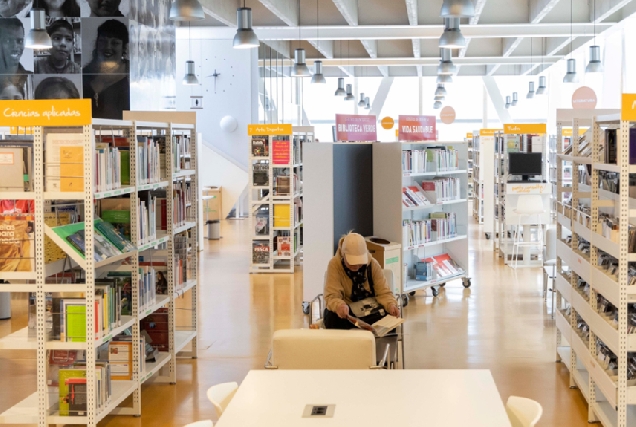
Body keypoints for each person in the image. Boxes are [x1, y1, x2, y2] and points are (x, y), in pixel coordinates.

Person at [323, 232, 399, 329]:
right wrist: (339, 306)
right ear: (343, 255)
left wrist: (391, 305)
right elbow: (331, 295)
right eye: (352, 263)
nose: (356, 266)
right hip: (348, 309)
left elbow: (383, 292)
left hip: (370, 309)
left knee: (390, 317)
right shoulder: (334, 265)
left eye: (359, 263)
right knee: (331, 317)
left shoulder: (372, 264)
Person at [82, 19, 129, 119]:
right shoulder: (85, 73)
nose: (108, 47)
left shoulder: (133, 74)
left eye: (115, 43)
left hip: (124, 132)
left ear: (124, 48)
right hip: (87, 133)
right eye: (103, 41)